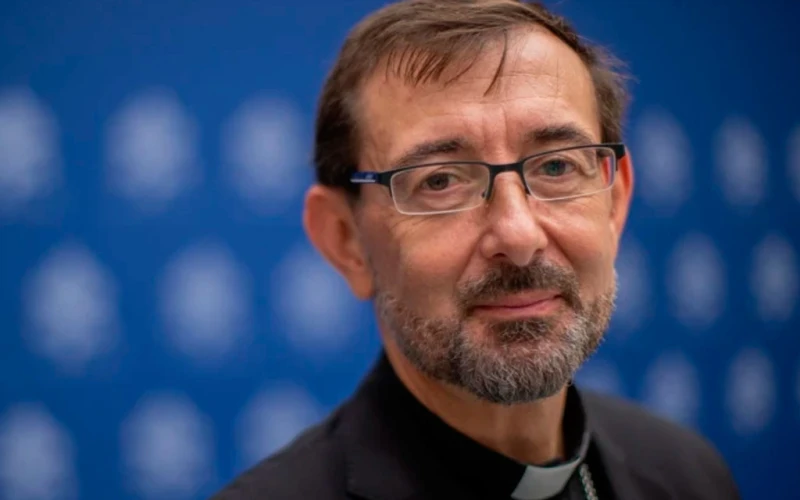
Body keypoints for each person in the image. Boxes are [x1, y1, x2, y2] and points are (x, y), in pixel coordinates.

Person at [212, 1, 741, 498]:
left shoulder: (687, 475)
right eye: (440, 181)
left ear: (614, 203)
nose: (519, 236)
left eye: (557, 166)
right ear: (346, 241)